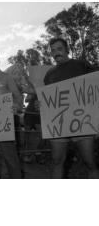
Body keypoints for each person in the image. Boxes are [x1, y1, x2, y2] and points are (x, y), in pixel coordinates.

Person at [42, 37, 99, 178]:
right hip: (58, 125)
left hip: (83, 122)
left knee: (89, 162)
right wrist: (41, 103)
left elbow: (95, 90)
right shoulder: (49, 74)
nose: (56, 53)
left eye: (59, 49)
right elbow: (49, 100)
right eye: (53, 50)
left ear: (67, 50)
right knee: (56, 161)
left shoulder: (82, 65)